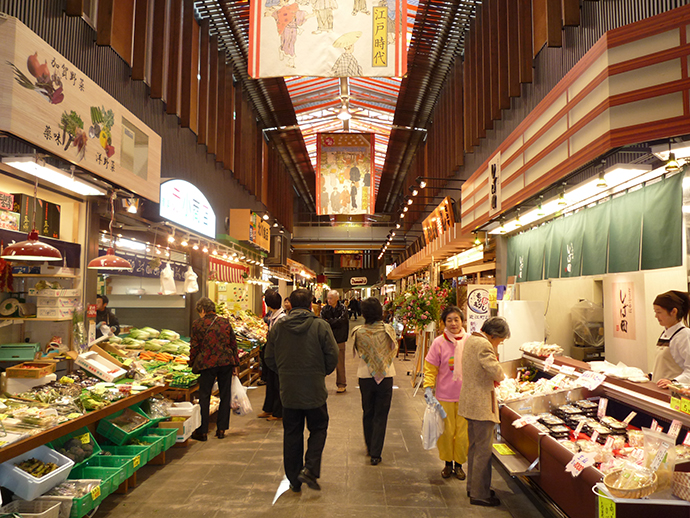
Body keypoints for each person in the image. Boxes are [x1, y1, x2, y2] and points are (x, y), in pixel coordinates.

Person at [265, 289, 339, 492]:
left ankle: (294, 480)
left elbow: (269, 357)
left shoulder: (279, 327)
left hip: (288, 391)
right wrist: (321, 372)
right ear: (310, 305)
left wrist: (284, 372)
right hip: (314, 389)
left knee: (292, 432)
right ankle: (310, 468)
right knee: (319, 427)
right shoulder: (320, 326)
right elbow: (333, 354)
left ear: (291, 305)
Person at [458, 316, 509, 507]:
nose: (499, 345)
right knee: (483, 450)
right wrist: (503, 374)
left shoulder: (471, 339)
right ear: (494, 335)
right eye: (500, 341)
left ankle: (474, 486)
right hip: (481, 404)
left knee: (474, 448)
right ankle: (480, 494)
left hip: (470, 401)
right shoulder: (484, 345)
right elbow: (496, 372)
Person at [423, 306, 469, 480]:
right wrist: (428, 387)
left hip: (465, 397)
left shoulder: (469, 341)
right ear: (443, 323)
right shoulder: (439, 343)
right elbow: (430, 368)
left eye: (456, 319)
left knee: (463, 433)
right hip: (444, 397)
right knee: (446, 433)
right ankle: (447, 464)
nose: (453, 323)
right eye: (449, 320)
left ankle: (459, 465)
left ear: (462, 321)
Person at [352, 297, 397, 466]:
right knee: (381, 414)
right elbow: (393, 349)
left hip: (365, 376)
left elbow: (358, 351)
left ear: (363, 313)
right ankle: (376, 453)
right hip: (386, 376)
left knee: (368, 412)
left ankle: (370, 446)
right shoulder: (389, 329)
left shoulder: (358, 332)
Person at [189, 297, 239, 441]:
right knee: (225, 394)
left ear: (203, 310)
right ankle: (221, 429)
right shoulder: (225, 322)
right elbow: (233, 344)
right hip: (225, 362)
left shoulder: (197, 324)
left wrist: (192, 362)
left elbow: (195, 346)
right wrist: (235, 363)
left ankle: (202, 431)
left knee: (204, 395)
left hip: (207, 363)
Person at [652, 290, 690, 388]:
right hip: (659, 390)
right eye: (655, 312)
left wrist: (673, 382)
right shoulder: (665, 333)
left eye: (659, 312)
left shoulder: (684, 335)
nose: (656, 316)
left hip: (675, 394)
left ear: (673, 311)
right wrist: (651, 375)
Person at [259, 290, 286, 421]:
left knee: (276, 385)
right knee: (270, 384)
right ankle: (268, 409)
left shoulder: (281, 319)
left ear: (269, 304)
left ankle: (278, 412)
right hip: (271, 356)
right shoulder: (273, 316)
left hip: (277, 357)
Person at [321, 290, 350, 393]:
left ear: (337, 298)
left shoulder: (343, 308)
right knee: (322, 361)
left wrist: (330, 322)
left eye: (331, 298)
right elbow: (323, 321)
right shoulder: (325, 309)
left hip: (340, 338)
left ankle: (341, 384)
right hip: (327, 337)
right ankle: (320, 385)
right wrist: (333, 322)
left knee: (340, 362)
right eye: (328, 298)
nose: (329, 300)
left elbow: (342, 321)